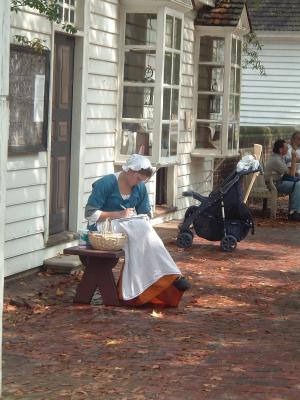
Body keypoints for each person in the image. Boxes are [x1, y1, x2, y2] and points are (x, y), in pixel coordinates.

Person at [85, 154, 190, 306]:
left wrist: (136, 217)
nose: (140, 183)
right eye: (139, 179)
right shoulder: (106, 183)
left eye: (142, 180)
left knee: (143, 228)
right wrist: (118, 214)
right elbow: (90, 214)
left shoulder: (139, 187)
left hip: (128, 227)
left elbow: (146, 214)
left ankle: (155, 281)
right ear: (130, 170)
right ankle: (170, 275)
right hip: (103, 228)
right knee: (139, 228)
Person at [265, 139, 300, 221]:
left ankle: (295, 211)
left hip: (277, 182)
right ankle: (294, 212)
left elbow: (289, 160)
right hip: (273, 184)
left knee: (297, 183)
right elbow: (291, 174)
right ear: (281, 150)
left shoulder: (279, 156)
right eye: (286, 148)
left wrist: (294, 157)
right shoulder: (276, 160)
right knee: (298, 185)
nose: (288, 149)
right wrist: (294, 158)